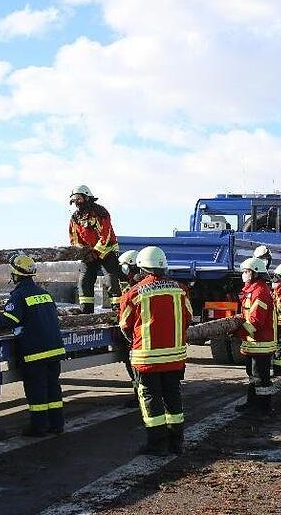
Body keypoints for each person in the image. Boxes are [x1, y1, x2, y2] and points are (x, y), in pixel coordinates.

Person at [119, 246, 193, 455]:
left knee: (151, 398)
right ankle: (176, 442)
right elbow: (188, 318)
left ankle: (157, 444)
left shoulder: (133, 293)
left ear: (141, 267)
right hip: (175, 357)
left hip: (147, 358)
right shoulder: (180, 289)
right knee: (173, 396)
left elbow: (125, 325)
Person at [0, 255, 66, 435]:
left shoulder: (19, 295)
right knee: (53, 388)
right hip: (54, 349)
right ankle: (57, 424)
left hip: (35, 352)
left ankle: (38, 427)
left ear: (15, 275)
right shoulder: (44, 293)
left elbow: (10, 318)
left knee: (36, 391)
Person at [69, 185, 123, 313]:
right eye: (74, 200)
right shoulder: (75, 218)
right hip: (89, 254)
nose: (76, 203)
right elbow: (75, 240)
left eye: (79, 199)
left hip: (107, 251)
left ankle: (118, 311)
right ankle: (86, 311)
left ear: (87, 198)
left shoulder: (100, 213)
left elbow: (106, 235)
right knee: (84, 282)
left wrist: (96, 251)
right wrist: (83, 253)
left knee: (111, 281)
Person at [234, 257, 277, 414]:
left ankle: (263, 407)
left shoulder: (260, 292)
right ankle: (252, 403)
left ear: (255, 273)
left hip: (261, 343)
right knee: (252, 375)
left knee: (260, 377)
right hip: (253, 342)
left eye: (246, 272)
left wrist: (238, 331)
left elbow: (256, 321)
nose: (244, 275)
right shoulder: (251, 290)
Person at [116, 249, 141, 407]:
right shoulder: (135, 284)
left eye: (124, 267)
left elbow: (125, 317)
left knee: (135, 367)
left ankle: (139, 397)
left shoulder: (135, 288)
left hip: (136, 335)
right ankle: (139, 395)